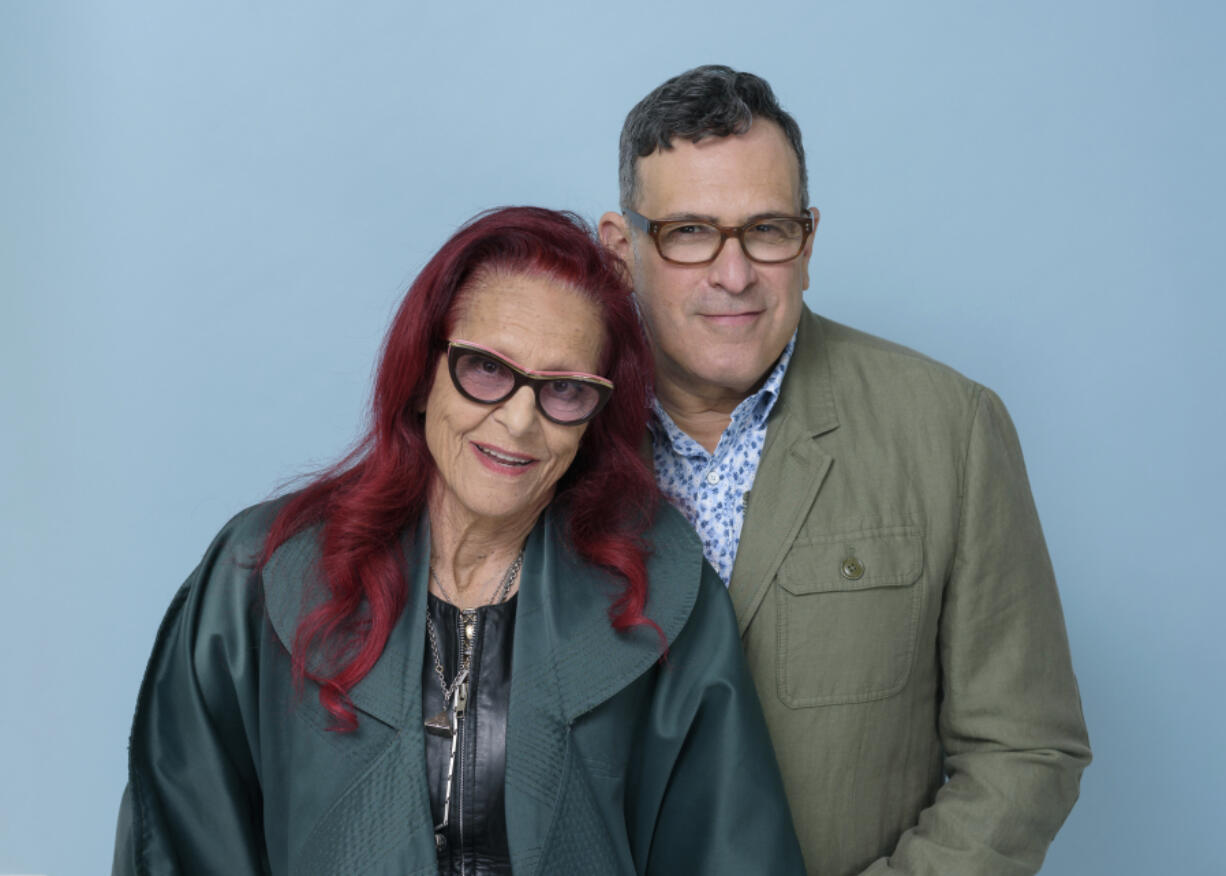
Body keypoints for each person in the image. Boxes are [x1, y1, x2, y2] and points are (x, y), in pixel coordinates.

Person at [111, 206, 806, 875]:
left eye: (564, 389)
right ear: (422, 377)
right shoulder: (259, 575)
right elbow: (180, 841)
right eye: (486, 369)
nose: (519, 420)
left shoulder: (660, 597)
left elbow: (731, 853)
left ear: (594, 417)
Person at [599, 66, 1092, 875]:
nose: (734, 274)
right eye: (690, 232)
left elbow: (1026, 747)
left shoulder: (950, 430)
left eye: (767, 229)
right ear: (623, 250)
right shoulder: (552, 432)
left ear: (809, 238)